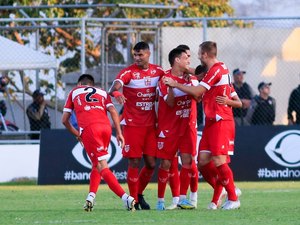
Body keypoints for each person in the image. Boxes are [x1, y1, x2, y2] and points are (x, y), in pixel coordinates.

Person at [164, 41, 241, 210]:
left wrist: (175, 84)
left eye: (198, 54)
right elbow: (199, 76)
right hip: (211, 123)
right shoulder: (217, 70)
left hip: (221, 121)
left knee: (219, 160)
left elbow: (199, 91)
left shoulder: (216, 70)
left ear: (204, 54)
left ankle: (233, 196)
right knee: (203, 162)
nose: (196, 57)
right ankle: (223, 191)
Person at [61, 74, 135, 212]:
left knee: (102, 165)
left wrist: (78, 135)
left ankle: (126, 198)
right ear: (92, 84)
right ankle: (90, 197)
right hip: (106, 128)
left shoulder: (74, 92)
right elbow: (113, 111)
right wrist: (119, 133)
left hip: (90, 129)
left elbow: (64, 120)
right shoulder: (102, 92)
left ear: (79, 84)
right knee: (96, 163)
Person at [108, 41, 165, 210]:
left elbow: (172, 78)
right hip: (132, 125)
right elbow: (114, 86)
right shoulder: (128, 73)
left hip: (151, 126)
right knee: (134, 162)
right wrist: (117, 92)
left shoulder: (158, 71)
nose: (137, 58)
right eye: (135, 55)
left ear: (148, 54)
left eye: (141, 55)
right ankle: (132, 201)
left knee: (151, 164)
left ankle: (138, 194)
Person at [156, 47, 198, 210]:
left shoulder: (191, 78)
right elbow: (171, 103)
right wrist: (173, 86)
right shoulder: (165, 79)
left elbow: (198, 96)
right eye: (186, 57)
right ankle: (160, 201)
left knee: (188, 161)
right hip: (169, 127)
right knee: (166, 163)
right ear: (177, 60)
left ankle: (182, 199)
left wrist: (182, 84)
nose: (189, 60)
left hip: (187, 125)